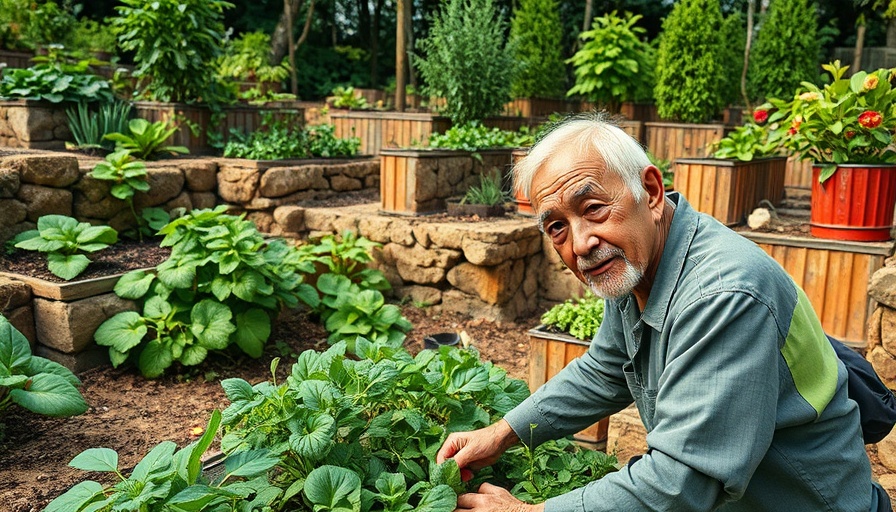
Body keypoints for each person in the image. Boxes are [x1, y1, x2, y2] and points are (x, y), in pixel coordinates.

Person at [436, 113, 892, 512]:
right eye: (557, 226)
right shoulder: (636, 260)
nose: (580, 243)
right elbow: (606, 369)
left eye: (593, 208)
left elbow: (684, 481)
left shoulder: (723, 294)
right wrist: (502, 432)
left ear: (651, 192)